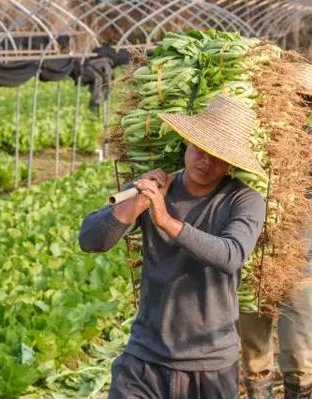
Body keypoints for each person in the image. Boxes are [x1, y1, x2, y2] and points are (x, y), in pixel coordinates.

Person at [79, 95, 267, 399]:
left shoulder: (244, 201)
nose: (205, 161)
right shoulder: (156, 188)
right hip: (145, 358)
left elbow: (231, 255)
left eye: (217, 156)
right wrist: (136, 204)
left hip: (210, 364)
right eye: (199, 149)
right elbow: (90, 240)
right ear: (187, 145)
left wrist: (166, 221)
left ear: (232, 163)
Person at [239, 62, 312, 399]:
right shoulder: (252, 134)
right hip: (253, 255)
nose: (299, 107)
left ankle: (298, 390)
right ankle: (259, 391)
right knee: (254, 346)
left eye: (307, 102)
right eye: (293, 98)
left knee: (300, 344)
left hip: (295, 255)